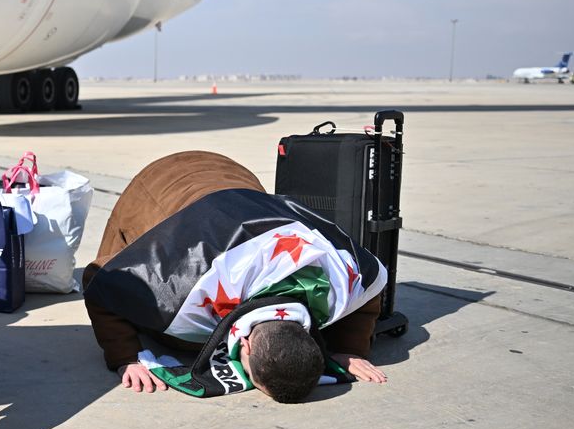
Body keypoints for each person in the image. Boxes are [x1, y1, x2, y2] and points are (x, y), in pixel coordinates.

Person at [82, 151, 388, 403]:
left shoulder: (340, 279)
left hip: (235, 177)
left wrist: (348, 347)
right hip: (158, 185)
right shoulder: (178, 286)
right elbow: (98, 277)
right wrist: (127, 356)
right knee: (127, 286)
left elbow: (374, 280)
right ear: (247, 345)